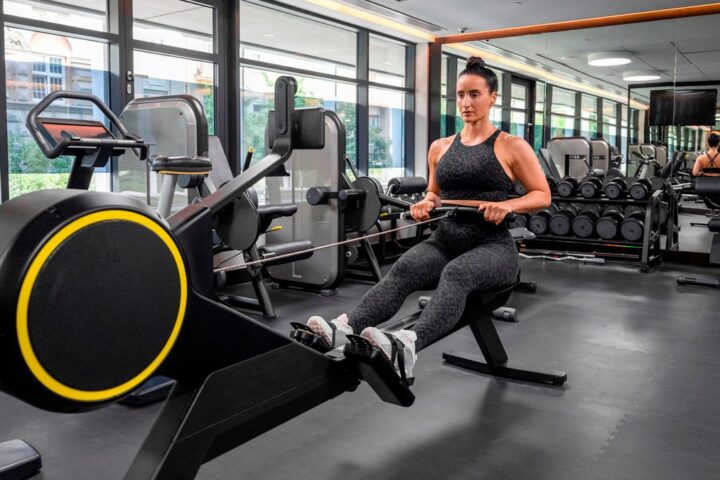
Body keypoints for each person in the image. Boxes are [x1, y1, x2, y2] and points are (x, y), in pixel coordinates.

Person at [306, 56, 551, 383]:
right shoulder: (440, 147)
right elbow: (435, 194)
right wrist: (425, 203)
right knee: (404, 269)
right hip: (446, 239)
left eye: (474, 94)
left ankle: (407, 347)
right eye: (460, 95)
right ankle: (343, 327)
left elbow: (541, 194)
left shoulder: (511, 145)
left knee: (456, 274)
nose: (466, 102)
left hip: (492, 246)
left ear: (493, 97)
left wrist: (509, 205)